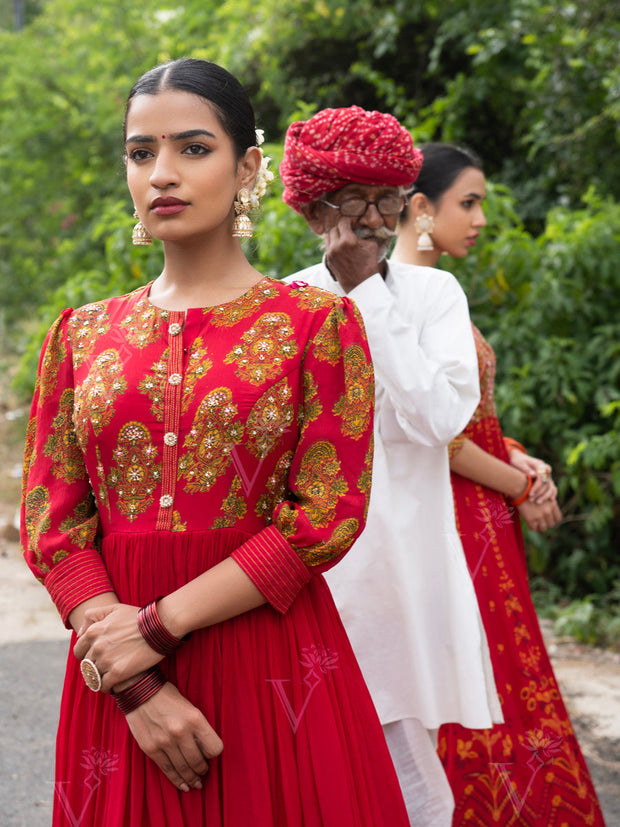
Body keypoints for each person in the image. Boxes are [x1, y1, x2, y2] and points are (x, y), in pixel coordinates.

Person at [20, 59, 412, 827]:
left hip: (265, 662)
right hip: (119, 676)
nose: (162, 173)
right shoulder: (80, 335)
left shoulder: (317, 327)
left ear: (249, 168)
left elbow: (327, 513)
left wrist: (154, 627)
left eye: (193, 149)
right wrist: (135, 681)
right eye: (141, 153)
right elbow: (52, 522)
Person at [280, 106, 502, 827]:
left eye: (386, 200)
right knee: (319, 772)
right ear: (316, 213)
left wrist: (369, 294)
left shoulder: (436, 295)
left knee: (414, 785)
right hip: (316, 576)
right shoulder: (286, 302)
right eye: (352, 201)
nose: (373, 218)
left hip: (407, 575)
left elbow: (440, 420)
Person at [392, 141, 606, 826]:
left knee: (498, 672)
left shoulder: (431, 292)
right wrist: (518, 482)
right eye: (469, 202)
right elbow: (440, 439)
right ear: (421, 208)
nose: (482, 218)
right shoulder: (401, 298)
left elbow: (464, 418)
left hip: (477, 513)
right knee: (472, 676)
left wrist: (514, 453)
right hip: (449, 519)